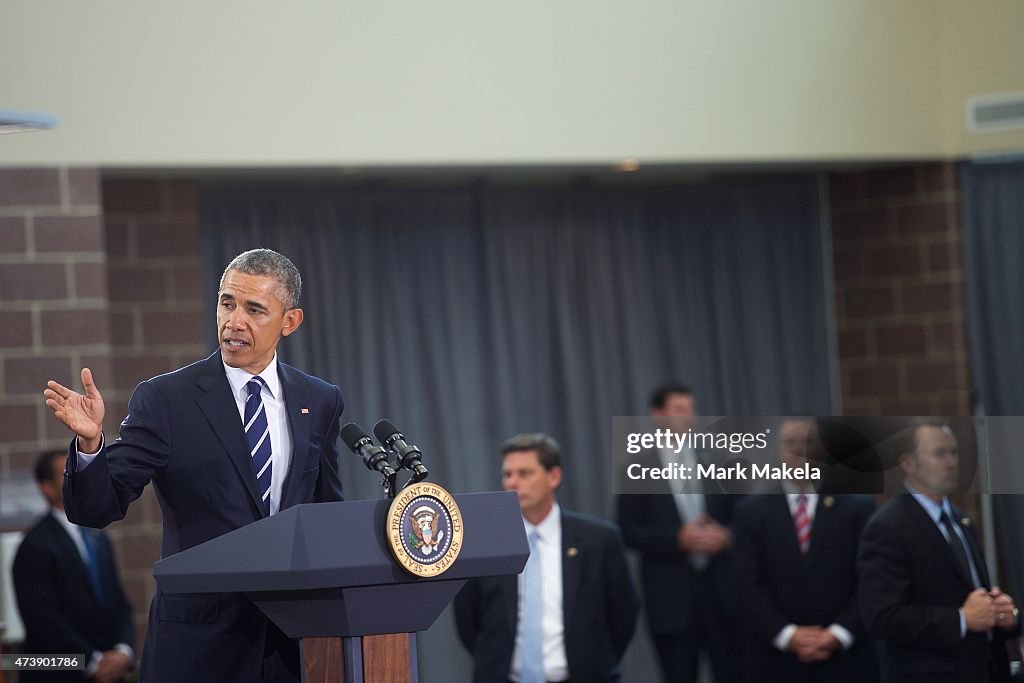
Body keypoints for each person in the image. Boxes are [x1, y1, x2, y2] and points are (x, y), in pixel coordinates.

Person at [43, 249, 345, 683]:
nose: (234, 321)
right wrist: (91, 443)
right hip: (199, 647)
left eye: (254, 309)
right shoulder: (167, 399)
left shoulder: (319, 400)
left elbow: (325, 513)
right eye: (227, 303)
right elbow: (96, 508)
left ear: (289, 321)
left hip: (292, 646)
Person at [454, 433, 640, 682]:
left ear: (554, 476)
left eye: (524, 473)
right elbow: (468, 620)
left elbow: (623, 614)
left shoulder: (599, 539)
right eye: (507, 474)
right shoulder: (485, 543)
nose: (513, 483)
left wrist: (596, 662)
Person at [858, 418, 1017, 683]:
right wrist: (960, 619)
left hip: (984, 669)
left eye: (953, 452)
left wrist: (1002, 613)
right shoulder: (888, 527)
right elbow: (882, 616)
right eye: (939, 454)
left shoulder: (961, 520)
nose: (951, 462)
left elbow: (968, 592)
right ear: (908, 463)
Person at [733, 417, 877, 683]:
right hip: (775, 661)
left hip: (848, 660)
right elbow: (745, 584)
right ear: (778, 450)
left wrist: (838, 634)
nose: (799, 450)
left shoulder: (858, 509)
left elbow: (871, 580)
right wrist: (788, 635)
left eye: (808, 442)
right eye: (790, 442)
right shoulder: (750, 512)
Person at [616, 382, 742, 683]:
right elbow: (626, 531)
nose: (688, 417)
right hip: (671, 597)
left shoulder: (717, 461)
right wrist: (677, 539)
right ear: (658, 415)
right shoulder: (638, 467)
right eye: (679, 409)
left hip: (722, 592)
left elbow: (746, 517)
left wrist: (727, 536)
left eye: (691, 409)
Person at [12, 450, 135, 683]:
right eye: (67, 472)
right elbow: (43, 622)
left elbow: (118, 601)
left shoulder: (98, 536)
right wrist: (93, 662)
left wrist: (123, 651)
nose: (78, 477)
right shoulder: (35, 545)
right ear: (46, 488)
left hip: (110, 672)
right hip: (60, 675)